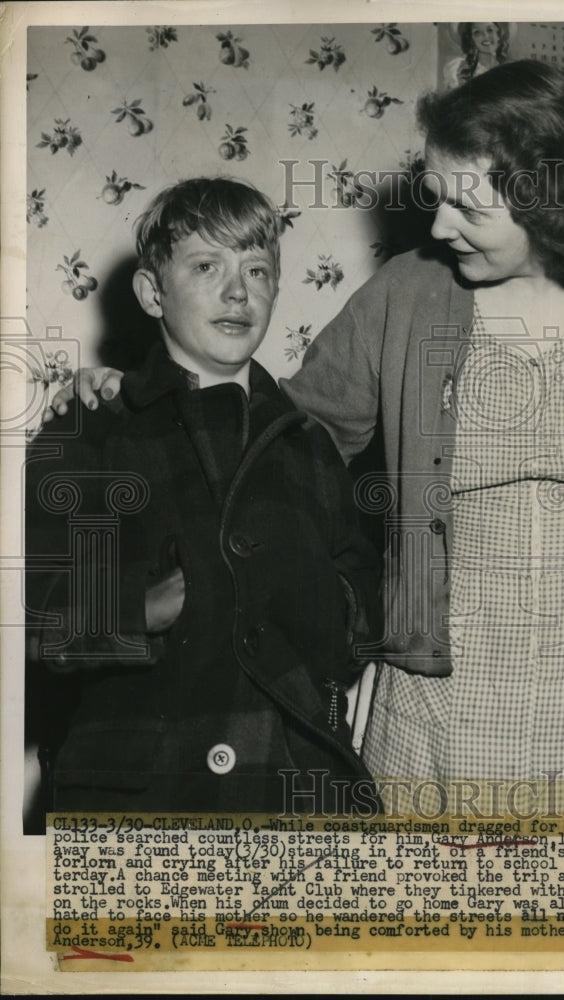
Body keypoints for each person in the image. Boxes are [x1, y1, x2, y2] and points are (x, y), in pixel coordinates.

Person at [49, 63, 564, 811]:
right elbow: (278, 448)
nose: (438, 227)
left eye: (466, 209)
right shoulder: (405, 294)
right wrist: (141, 398)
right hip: (440, 711)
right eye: (436, 199)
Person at [25, 177, 381, 815]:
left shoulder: (309, 447)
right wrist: (143, 606)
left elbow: (362, 597)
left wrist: (328, 603)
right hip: (144, 795)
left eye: (257, 269)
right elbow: (36, 617)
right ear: (151, 292)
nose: (238, 290)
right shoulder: (93, 428)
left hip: (292, 785)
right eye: (206, 265)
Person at [442, 22, 511, 90]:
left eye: (490, 30)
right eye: (477, 32)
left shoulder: (508, 70)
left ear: (499, 35)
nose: (485, 36)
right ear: (471, 39)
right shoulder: (459, 69)